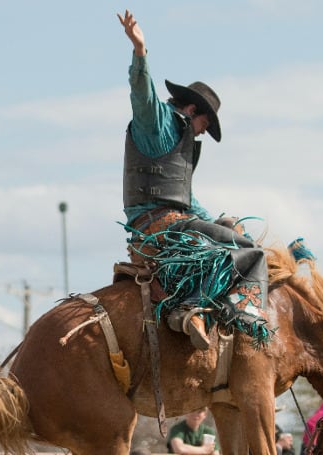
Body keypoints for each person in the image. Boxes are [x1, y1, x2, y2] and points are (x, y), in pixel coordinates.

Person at [117, 9, 270, 350]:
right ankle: (240, 313)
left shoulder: (177, 145)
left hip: (170, 223)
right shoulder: (158, 125)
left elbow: (186, 202)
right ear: (192, 111)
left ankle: (190, 312)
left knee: (229, 236)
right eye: (205, 125)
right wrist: (140, 52)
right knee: (253, 255)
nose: (202, 132)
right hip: (164, 228)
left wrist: (222, 222)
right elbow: (142, 96)